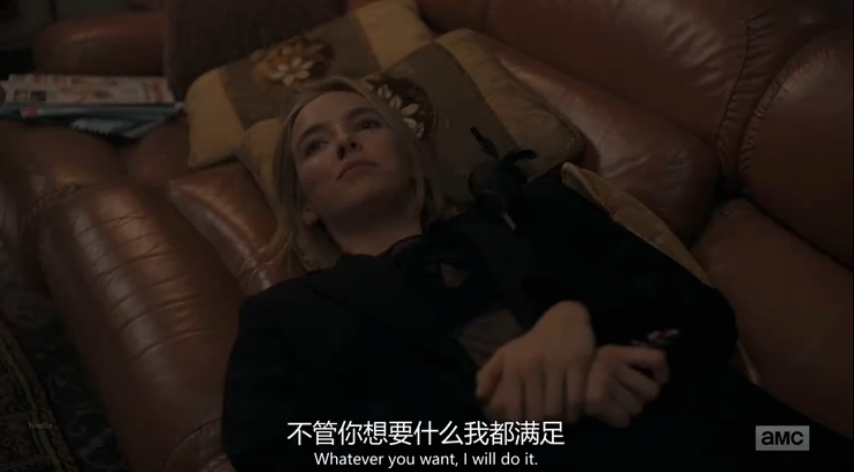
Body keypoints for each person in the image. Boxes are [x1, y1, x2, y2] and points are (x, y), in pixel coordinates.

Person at [222, 77, 851, 469]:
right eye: (315, 144)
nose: (345, 142)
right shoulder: (283, 315)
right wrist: (493, 426)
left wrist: (582, 323)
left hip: (720, 433)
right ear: (304, 204)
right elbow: (277, 450)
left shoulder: (536, 212)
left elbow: (703, 316)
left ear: (412, 161)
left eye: (366, 125)